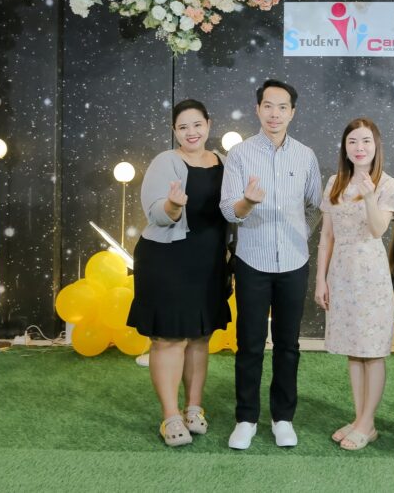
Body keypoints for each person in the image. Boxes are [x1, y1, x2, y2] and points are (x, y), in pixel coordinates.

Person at [219, 78, 322, 450]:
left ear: (292, 112)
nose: (274, 114)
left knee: (287, 345)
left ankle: (283, 418)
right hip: (253, 261)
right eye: (268, 106)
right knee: (249, 344)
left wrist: (300, 235)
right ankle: (246, 419)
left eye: (282, 107)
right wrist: (247, 202)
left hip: (294, 262)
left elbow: (314, 206)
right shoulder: (240, 155)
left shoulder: (305, 155)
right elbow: (228, 209)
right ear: (257, 109)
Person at [127, 99, 231, 447]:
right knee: (169, 339)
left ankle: (194, 409)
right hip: (167, 260)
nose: (191, 132)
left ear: (208, 124)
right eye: (183, 127)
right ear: (174, 130)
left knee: (200, 336)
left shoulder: (224, 162)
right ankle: (170, 416)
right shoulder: (165, 162)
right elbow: (156, 213)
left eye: (197, 124)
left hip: (208, 262)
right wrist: (173, 205)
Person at [314, 118, 394, 451]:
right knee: (354, 350)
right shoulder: (334, 182)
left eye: (365, 141)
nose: (359, 148)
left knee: (372, 352)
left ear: (376, 146)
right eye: (352, 141)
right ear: (345, 147)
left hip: (371, 275)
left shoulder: (387, 184)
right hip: (341, 274)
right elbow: (326, 237)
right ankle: (361, 418)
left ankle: (367, 422)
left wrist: (369, 196)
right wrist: (321, 280)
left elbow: (378, 230)